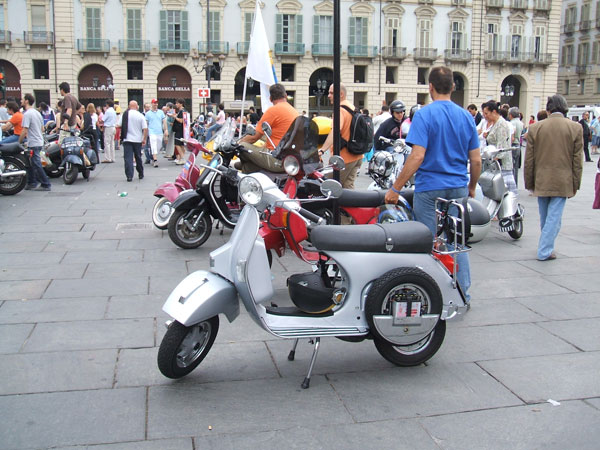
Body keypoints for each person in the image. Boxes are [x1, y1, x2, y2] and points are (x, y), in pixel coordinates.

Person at [384, 66, 481, 305]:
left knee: (426, 241)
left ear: (430, 87)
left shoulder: (425, 115)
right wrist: (471, 186)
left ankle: (430, 293)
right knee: (456, 242)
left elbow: (417, 156)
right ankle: (462, 295)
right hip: (457, 186)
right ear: (454, 87)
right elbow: (476, 159)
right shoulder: (466, 117)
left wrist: (395, 188)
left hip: (429, 188)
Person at [525, 94, 583, 261]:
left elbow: (529, 159)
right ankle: (544, 250)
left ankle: (546, 245)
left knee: (546, 216)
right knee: (554, 217)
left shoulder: (535, 128)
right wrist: (576, 183)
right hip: (562, 179)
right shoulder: (575, 128)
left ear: (548, 109)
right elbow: (577, 160)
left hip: (540, 178)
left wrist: (529, 182)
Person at [238, 83, 298, 174]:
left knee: (243, 146)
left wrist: (237, 143)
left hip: (276, 159)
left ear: (270, 99)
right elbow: (272, 134)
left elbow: (254, 137)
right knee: (247, 166)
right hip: (290, 159)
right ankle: (245, 168)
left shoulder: (273, 111)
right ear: (285, 96)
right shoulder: (293, 110)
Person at [319, 83, 363, 189]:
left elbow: (335, 131)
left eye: (331, 93)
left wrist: (322, 150)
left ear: (341, 94)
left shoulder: (340, 110)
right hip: (357, 155)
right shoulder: (352, 108)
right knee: (348, 187)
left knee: (327, 185)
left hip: (344, 158)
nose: (328, 95)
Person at [481, 100, 516, 192]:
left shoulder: (501, 124)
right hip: (497, 165)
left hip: (501, 166)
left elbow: (501, 149)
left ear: (494, 112)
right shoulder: (496, 124)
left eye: (486, 113)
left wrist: (492, 161)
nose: (484, 116)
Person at [19, 93, 51, 191]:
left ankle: (45, 183)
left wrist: (18, 142)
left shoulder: (27, 114)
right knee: (32, 162)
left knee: (36, 163)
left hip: (33, 142)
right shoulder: (37, 113)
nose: (21, 101)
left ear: (27, 101)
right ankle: (32, 182)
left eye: (22, 99)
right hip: (38, 140)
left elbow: (24, 130)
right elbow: (42, 128)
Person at [117, 100, 148, 182]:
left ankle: (129, 176)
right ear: (136, 106)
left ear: (129, 106)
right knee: (138, 157)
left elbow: (118, 125)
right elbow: (145, 128)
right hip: (137, 139)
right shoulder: (140, 115)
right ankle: (140, 173)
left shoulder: (125, 114)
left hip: (127, 139)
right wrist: (144, 139)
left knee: (128, 158)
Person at [145, 99, 167, 167]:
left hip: (159, 131)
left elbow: (164, 121)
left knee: (159, 146)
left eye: (156, 103)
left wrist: (166, 130)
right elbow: (146, 123)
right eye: (154, 103)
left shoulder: (160, 112)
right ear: (152, 104)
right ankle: (155, 160)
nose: (155, 104)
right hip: (152, 132)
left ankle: (153, 155)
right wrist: (146, 131)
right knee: (153, 144)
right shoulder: (148, 113)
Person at [169, 98, 186, 165]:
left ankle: (182, 158)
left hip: (179, 130)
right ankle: (182, 158)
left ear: (180, 104)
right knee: (181, 144)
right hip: (181, 129)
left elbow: (181, 120)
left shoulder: (182, 111)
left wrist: (174, 117)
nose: (176, 105)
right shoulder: (183, 111)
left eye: (177, 103)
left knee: (177, 144)